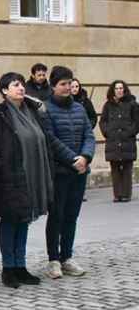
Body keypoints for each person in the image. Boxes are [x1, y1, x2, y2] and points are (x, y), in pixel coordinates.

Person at [0, 73, 75, 288]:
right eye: (15, 85)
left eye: (22, 84)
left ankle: (20, 266)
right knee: (10, 220)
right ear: (4, 90)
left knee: (24, 219)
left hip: (31, 175)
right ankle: (9, 268)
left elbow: (44, 139)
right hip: (8, 176)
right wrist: (3, 167)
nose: (21, 88)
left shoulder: (33, 110)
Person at [43, 65, 96, 279]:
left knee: (71, 216)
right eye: (63, 84)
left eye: (69, 83)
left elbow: (89, 135)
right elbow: (51, 139)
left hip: (79, 171)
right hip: (60, 171)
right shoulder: (46, 109)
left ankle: (67, 257)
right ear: (53, 86)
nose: (67, 87)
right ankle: (53, 260)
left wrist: (85, 157)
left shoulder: (79, 108)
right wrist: (73, 159)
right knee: (57, 215)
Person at [99, 80, 139, 202]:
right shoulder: (108, 105)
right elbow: (103, 121)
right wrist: (107, 132)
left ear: (125, 90)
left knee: (127, 167)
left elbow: (137, 122)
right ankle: (117, 194)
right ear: (113, 90)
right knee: (115, 168)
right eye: (117, 88)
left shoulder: (132, 104)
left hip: (127, 141)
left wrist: (130, 132)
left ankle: (126, 194)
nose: (119, 90)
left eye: (121, 88)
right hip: (113, 141)